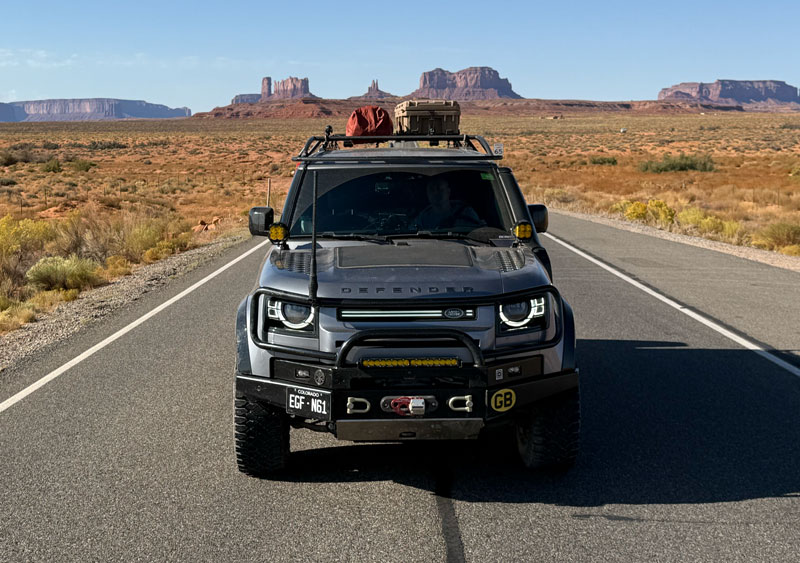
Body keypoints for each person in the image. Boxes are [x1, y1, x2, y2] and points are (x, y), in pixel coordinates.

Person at [413, 176, 482, 230]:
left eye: (439, 189)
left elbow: (477, 233)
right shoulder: (422, 219)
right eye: (431, 189)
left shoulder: (466, 212)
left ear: (448, 191)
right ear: (427, 193)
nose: (435, 193)